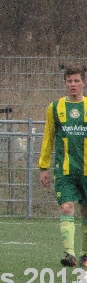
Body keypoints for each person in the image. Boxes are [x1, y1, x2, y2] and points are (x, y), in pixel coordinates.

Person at [39, 65, 87, 268]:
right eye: (69, 81)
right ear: (65, 83)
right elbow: (48, 137)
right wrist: (44, 167)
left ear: (84, 82)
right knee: (67, 207)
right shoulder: (55, 107)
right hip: (65, 169)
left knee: (85, 212)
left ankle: (85, 255)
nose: (73, 84)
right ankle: (69, 254)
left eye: (76, 80)